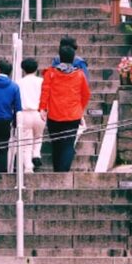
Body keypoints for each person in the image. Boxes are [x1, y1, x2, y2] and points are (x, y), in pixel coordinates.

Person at [41, 43, 91, 173]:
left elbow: (45, 91)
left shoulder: (50, 73)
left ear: (60, 57)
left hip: (54, 114)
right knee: (68, 144)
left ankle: (57, 170)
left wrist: (42, 108)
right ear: (73, 57)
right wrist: (81, 109)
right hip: (73, 114)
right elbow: (86, 94)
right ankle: (64, 171)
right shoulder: (79, 75)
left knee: (56, 143)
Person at [18, 58, 44, 172]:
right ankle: (36, 154)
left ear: (23, 69)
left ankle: (28, 166)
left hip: (24, 113)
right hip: (39, 112)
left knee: (25, 141)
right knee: (38, 136)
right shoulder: (41, 81)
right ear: (36, 69)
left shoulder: (19, 82)